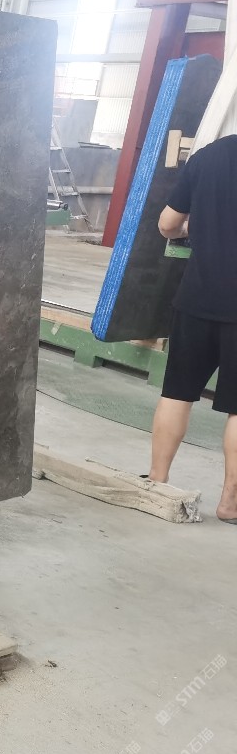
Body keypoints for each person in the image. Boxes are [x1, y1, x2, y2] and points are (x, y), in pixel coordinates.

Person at [149, 134, 237, 524]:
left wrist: (195, 231)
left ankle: (156, 484)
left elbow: (167, 224)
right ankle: (230, 503)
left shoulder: (209, 156)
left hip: (197, 298)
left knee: (177, 392)